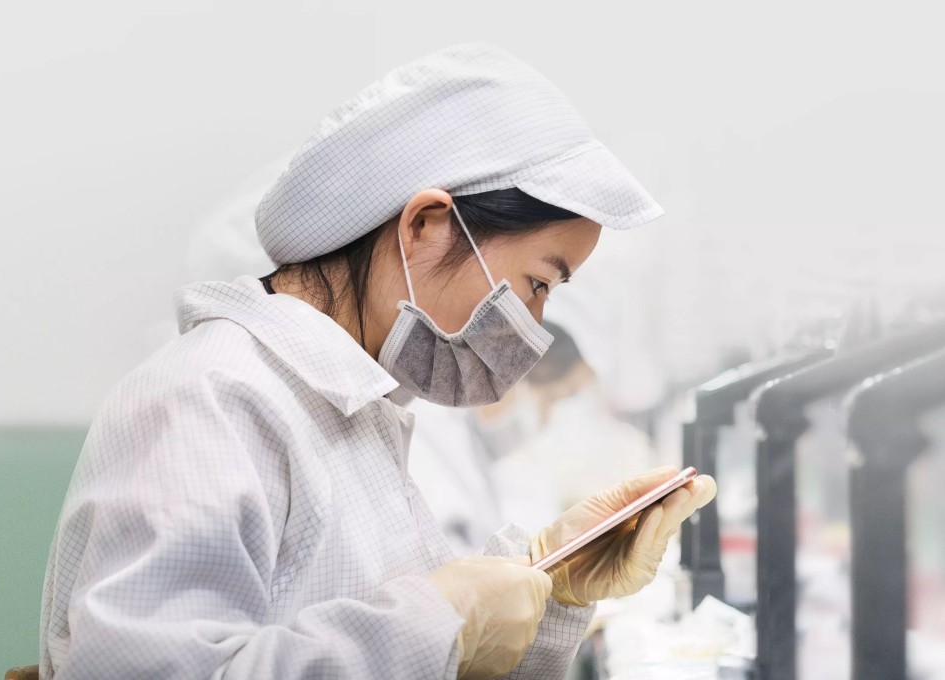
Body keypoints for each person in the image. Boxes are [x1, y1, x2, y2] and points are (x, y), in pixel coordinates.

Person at [40, 42, 716, 679]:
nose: (533, 330)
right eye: (538, 283)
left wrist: (549, 583)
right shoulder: (209, 399)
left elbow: (412, 655)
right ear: (425, 224)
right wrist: (439, 619)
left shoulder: (356, 414)